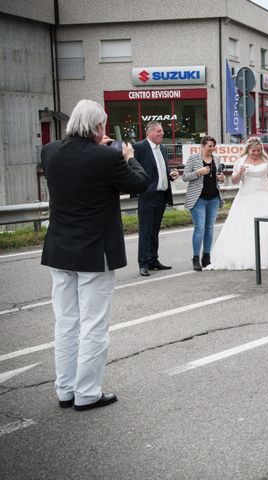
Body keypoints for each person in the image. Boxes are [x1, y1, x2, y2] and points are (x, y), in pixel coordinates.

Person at [41, 99, 149, 411]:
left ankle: (65, 389)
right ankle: (87, 392)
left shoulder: (49, 151)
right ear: (98, 127)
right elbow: (140, 184)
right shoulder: (107, 156)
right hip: (95, 251)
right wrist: (128, 157)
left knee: (66, 324)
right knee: (93, 326)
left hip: (59, 249)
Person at [209, 137, 268, 270]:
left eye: (258, 151)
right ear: (248, 149)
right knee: (245, 225)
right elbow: (235, 181)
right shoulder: (240, 161)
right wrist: (240, 173)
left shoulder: (267, 160)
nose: (256, 153)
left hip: (265, 193)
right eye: (253, 151)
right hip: (247, 195)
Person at [134, 121, 179, 277]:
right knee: (145, 231)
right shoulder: (139, 147)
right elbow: (132, 167)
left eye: (162, 131)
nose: (162, 133)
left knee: (154, 231)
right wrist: (140, 187)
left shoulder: (163, 149)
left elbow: (161, 172)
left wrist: (170, 176)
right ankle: (143, 263)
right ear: (150, 133)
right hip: (147, 196)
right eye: (159, 131)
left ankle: (153, 259)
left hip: (161, 195)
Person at [182, 136, 225, 271]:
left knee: (210, 228)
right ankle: (195, 258)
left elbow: (218, 178)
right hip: (198, 198)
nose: (212, 149)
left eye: (213, 146)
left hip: (213, 198)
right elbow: (184, 177)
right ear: (203, 146)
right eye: (209, 146)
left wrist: (221, 178)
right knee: (199, 228)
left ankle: (206, 257)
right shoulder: (193, 158)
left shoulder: (216, 159)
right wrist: (198, 172)